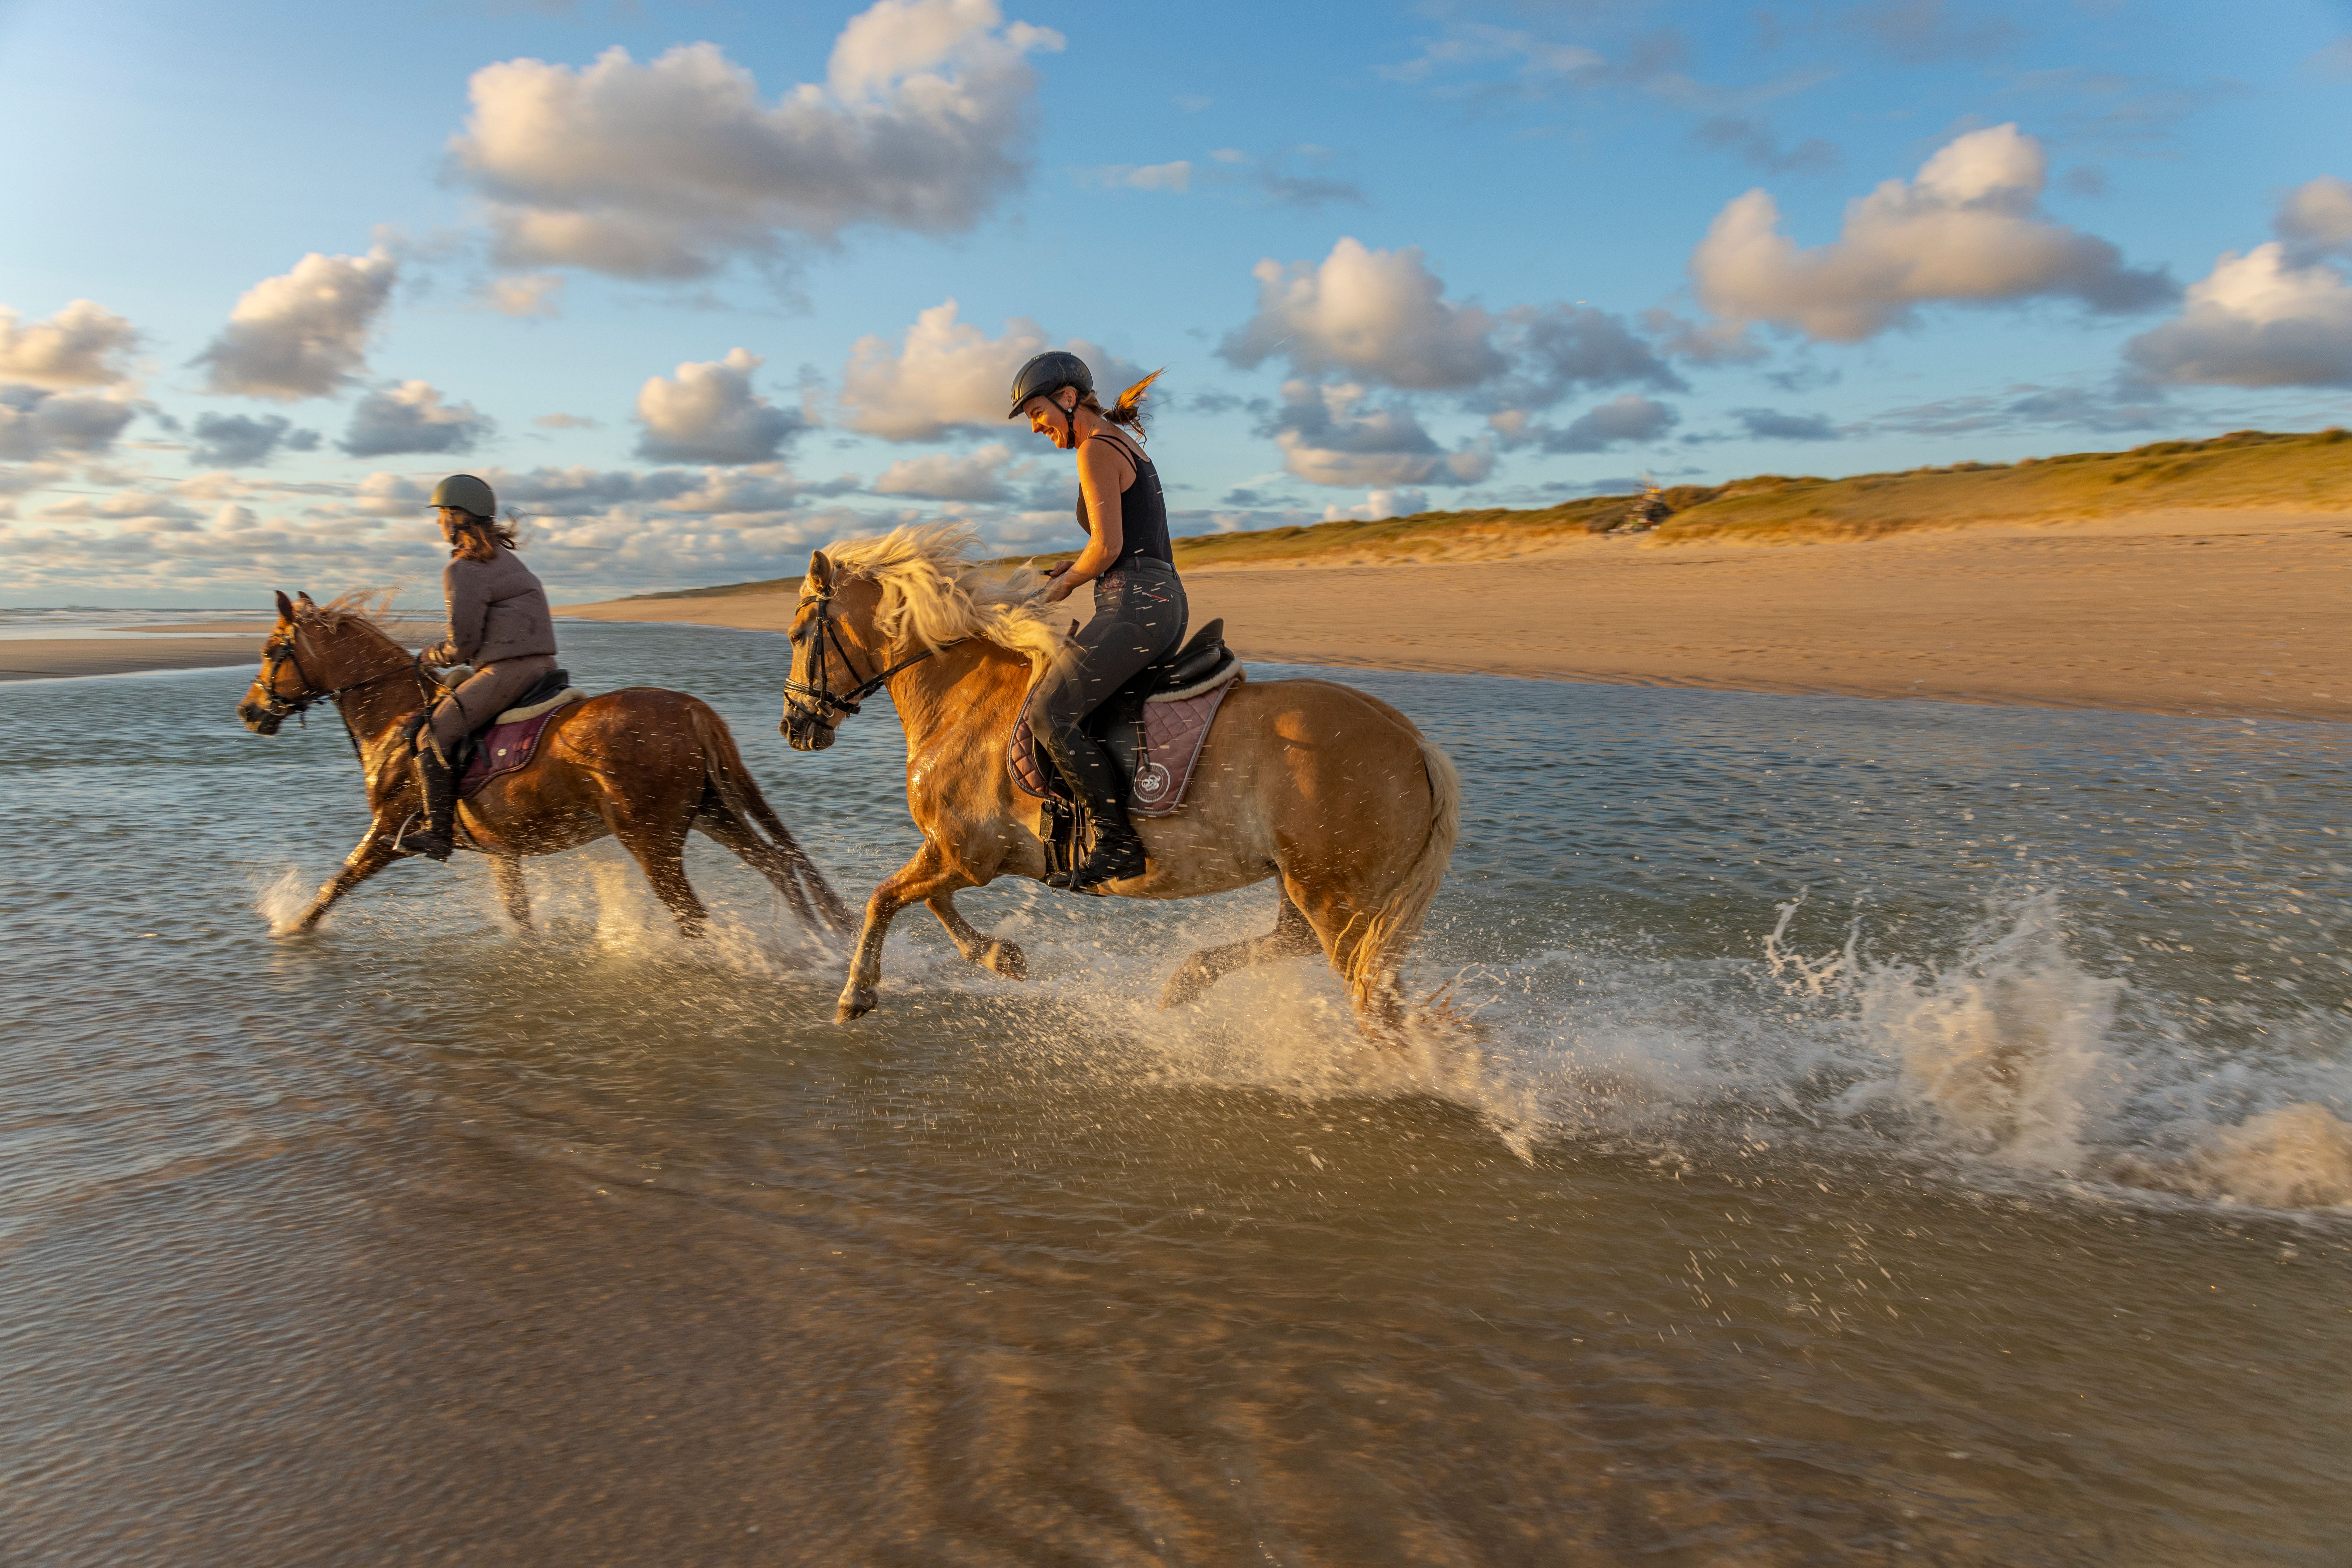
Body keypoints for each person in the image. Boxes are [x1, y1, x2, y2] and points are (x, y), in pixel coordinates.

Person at [1008, 351, 1186, 891]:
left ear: (1067, 399)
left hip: (1136, 605)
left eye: (1038, 413)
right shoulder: (1117, 442)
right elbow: (1117, 542)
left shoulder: (1094, 449)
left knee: (1049, 712)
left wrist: (1061, 587)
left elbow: (1107, 549)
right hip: (1154, 600)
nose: (1037, 428)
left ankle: (1117, 843)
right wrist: (1076, 565)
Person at [406, 474, 559, 861]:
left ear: (459, 517)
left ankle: (437, 833)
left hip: (507, 673)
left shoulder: (464, 568)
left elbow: (463, 646)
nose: (439, 522)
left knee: (430, 737)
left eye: (442, 514)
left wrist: (427, 657)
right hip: (545, 668)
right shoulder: (506, 558)